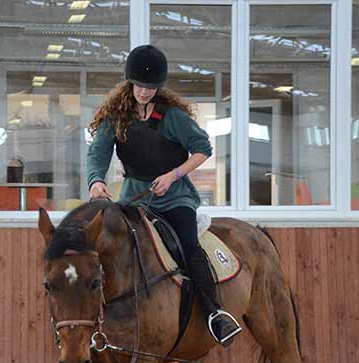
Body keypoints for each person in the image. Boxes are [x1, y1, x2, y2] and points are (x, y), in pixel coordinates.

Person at [86, 44, 242, 346]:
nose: (145, 92)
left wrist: (174, 175)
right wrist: (95, 181)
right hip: (134, 196)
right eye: (141, 86)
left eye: (152, 87)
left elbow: (203, 149)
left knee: (188, 244)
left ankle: (215, 314)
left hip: (175, 197)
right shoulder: (116, 117)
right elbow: (98, 153)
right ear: (130, 82)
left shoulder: (173, 118)